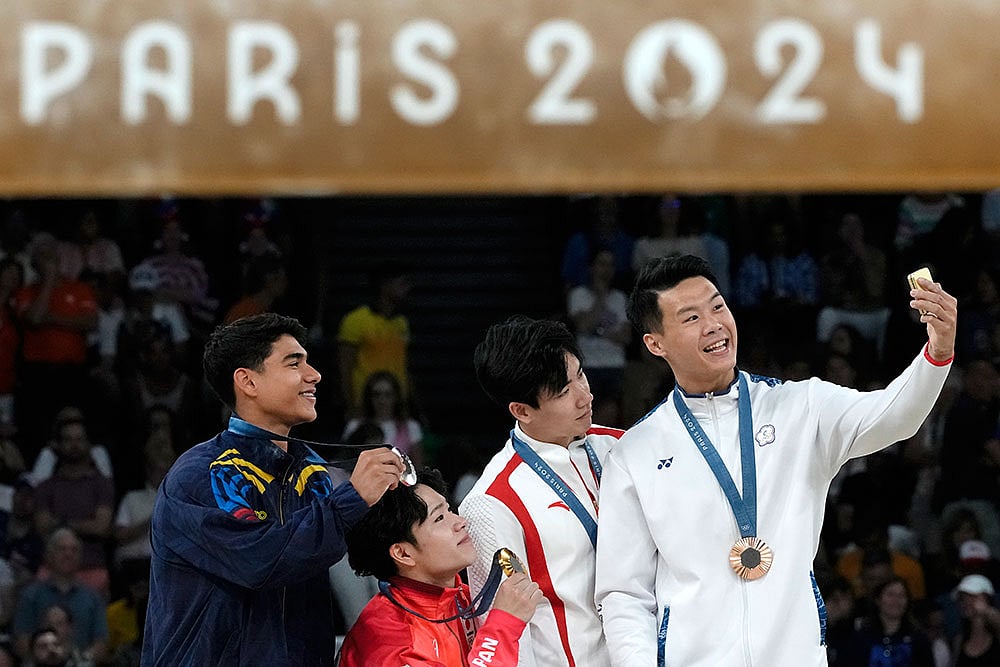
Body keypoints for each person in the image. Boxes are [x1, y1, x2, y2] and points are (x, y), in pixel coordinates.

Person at [594, 253, 956, 666]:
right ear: (655, 343)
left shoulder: (799, 407)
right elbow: (624, 594)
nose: (714, 324)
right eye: (691, 318)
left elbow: (895, 417)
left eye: (717, 306)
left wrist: (937, 353)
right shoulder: (636, 452)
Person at [141, 313, 406, 666]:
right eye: (294, 363)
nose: (314, 375)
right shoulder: (201, 475)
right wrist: (353, 498)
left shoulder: (311, 470)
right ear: (247, 382)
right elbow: (260, 561)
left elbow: (351, 551)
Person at [459, 315, 624, 666]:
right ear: (522, 410)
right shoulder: (492, 502)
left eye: (580, 374)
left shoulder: (623, 448)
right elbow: (505, 631)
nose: (586, 396)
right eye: (564, 392)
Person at [338, 467, 543, 666]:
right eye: (439, 518)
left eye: (449, 510)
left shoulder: (458, 595)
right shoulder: (392, 645)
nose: (460, 522)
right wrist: (504, 625)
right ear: (403, 553)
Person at [842, 576, 935, 666]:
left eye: (901, 595)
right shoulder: (861, 639)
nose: (896, 600)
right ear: (877, 600)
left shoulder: (918, 639)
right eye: (890, 595)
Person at [951, 574, 1000, 666]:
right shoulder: (959, 640)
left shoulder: (996, 636)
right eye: (962, 597)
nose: (966, 601)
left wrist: (986, 610)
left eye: (972, 596)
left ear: (987, 598)